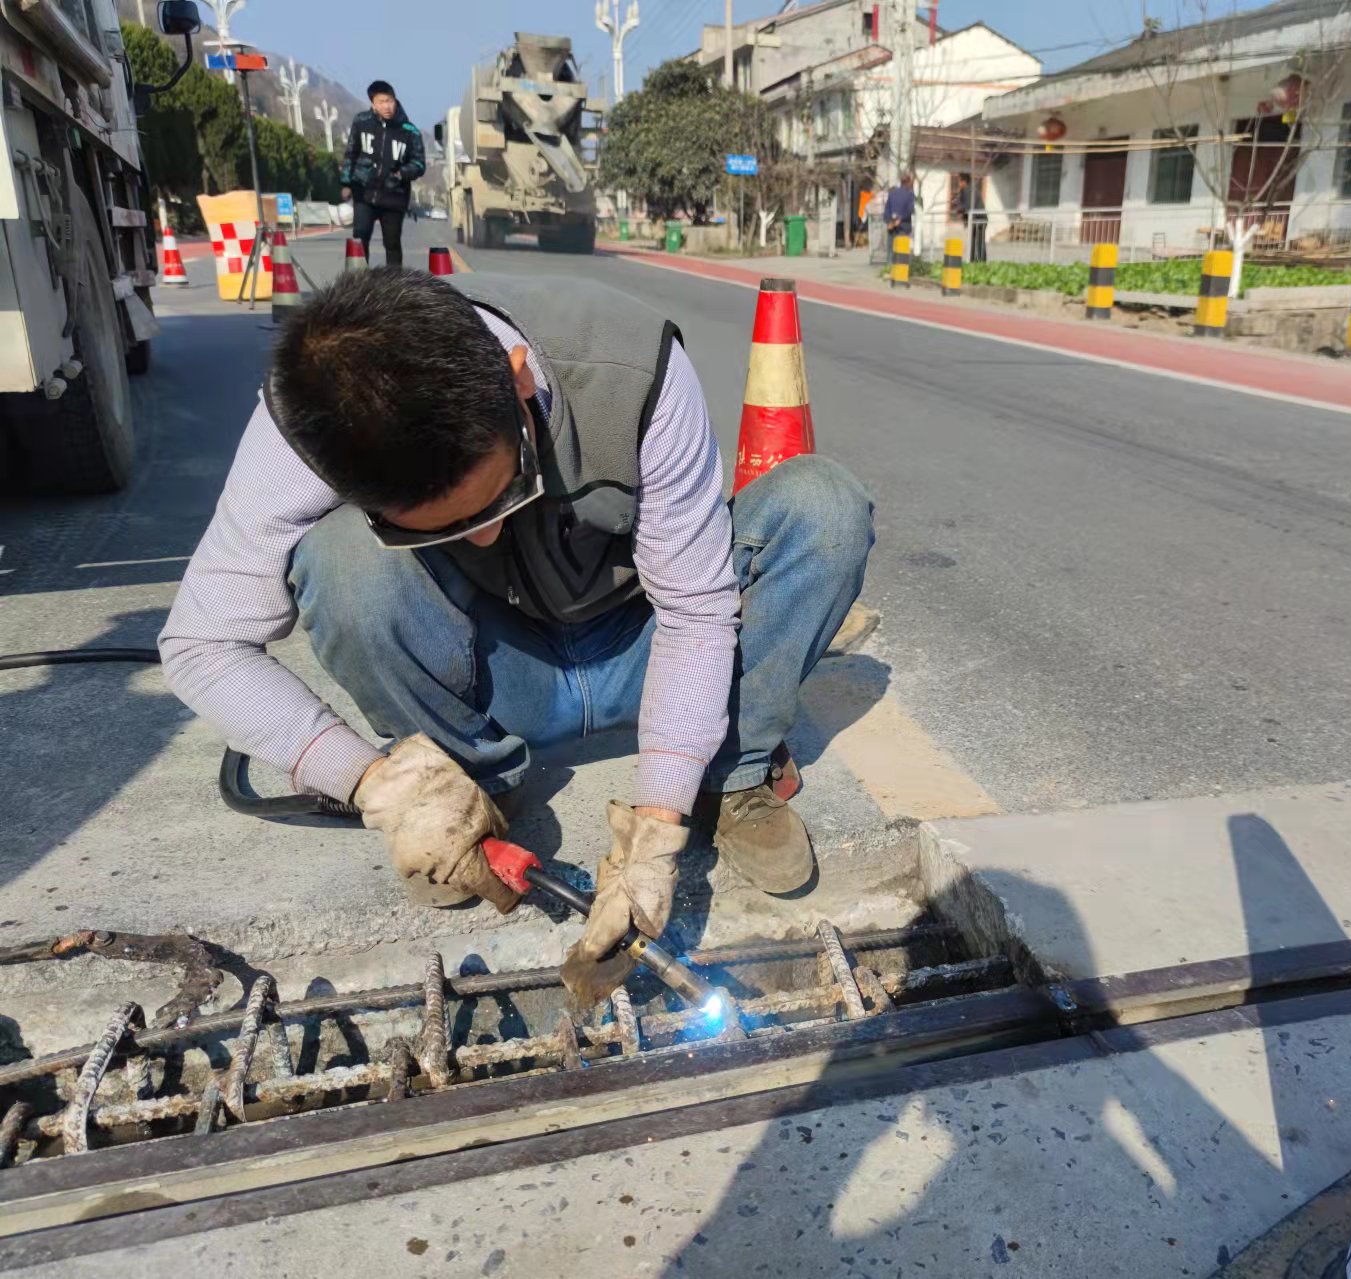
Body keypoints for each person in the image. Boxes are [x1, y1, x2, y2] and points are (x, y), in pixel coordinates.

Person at [158, 268, 874, 1007]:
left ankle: (731, 774)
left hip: (646, 644)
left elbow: (694, 611)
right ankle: (466, 792)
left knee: (824, 509)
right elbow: (200, 645)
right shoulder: (306, 430)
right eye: (452, 526)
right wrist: (380, 787)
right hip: (503, 675)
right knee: (341, 561)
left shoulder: (633, 368)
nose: (491, 531)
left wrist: (658, 828)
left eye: (505, 492)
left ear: (518, 379)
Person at [341, 80, 425, 268]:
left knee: (392, 243)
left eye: (390, 101)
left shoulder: (409, 131)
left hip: (394, 195)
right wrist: (346, 183)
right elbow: (351, 153)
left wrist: (401, 173)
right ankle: (357, 285)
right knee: (360, 236)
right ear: (373, 104)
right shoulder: (361, 122)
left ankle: (394, 289)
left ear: (395, 100)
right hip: (364, 191)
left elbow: (419, 164)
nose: (387, 106)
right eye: (381, 102)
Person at [884, 173, 916, 250]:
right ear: (908, 182)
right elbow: (910, 210)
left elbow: (887, 209)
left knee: (891, 251)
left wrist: (889, 222)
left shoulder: (892, 193)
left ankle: (890, 262)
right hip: (903, 227)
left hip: (891, 227)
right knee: (901, 253)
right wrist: (900, 219)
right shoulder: (910, 195)